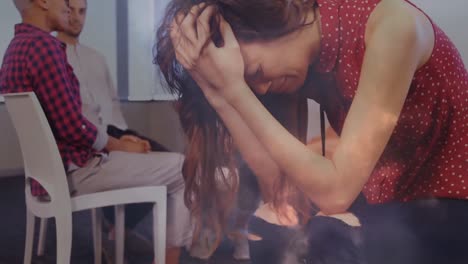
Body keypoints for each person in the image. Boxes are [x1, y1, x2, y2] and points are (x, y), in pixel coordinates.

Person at [155, 0, 468, 262]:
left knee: (327, 237)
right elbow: (277, 179)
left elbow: (336, 192)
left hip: (450, 208)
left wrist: (236, 90)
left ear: (274, 18)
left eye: (258, 73)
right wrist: (218, 94)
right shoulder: (316, 64)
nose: (261, 89)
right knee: (269, 225)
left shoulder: (392, 26)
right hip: (393, 207)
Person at [0, 1, 192, 263]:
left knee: (152, 157)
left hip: (53, 174)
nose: (68, 9)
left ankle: (121, 236)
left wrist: (118, 142)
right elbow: (72, 126)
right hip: (79, 169)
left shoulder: (16, 48)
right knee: (182, 168)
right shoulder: (44, 48)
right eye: (63, 2)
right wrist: (121, 146)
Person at [55, 0, 174, 260]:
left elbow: (112, 101)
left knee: (166, 160)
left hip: (116, 130)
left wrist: (125, 135)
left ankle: (121, 228)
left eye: (82, 11)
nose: (76, 18)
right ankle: (116, 228)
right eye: (70, 10)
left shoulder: (97, 57)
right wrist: (116, 144)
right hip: (90, 137)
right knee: (164, 167)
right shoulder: (53, 58)